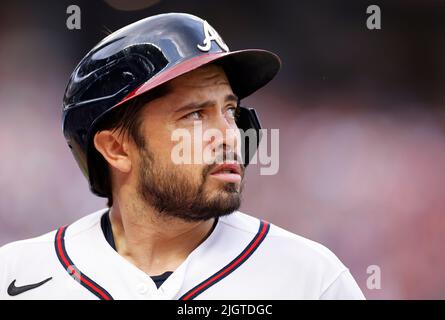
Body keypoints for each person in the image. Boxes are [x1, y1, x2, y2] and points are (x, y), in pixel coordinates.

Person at [0, 13, 365, 300]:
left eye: (231, 111)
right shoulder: (16, 275)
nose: (230, 135)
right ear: (116, 148)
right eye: (194, 115)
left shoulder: (312, 279)